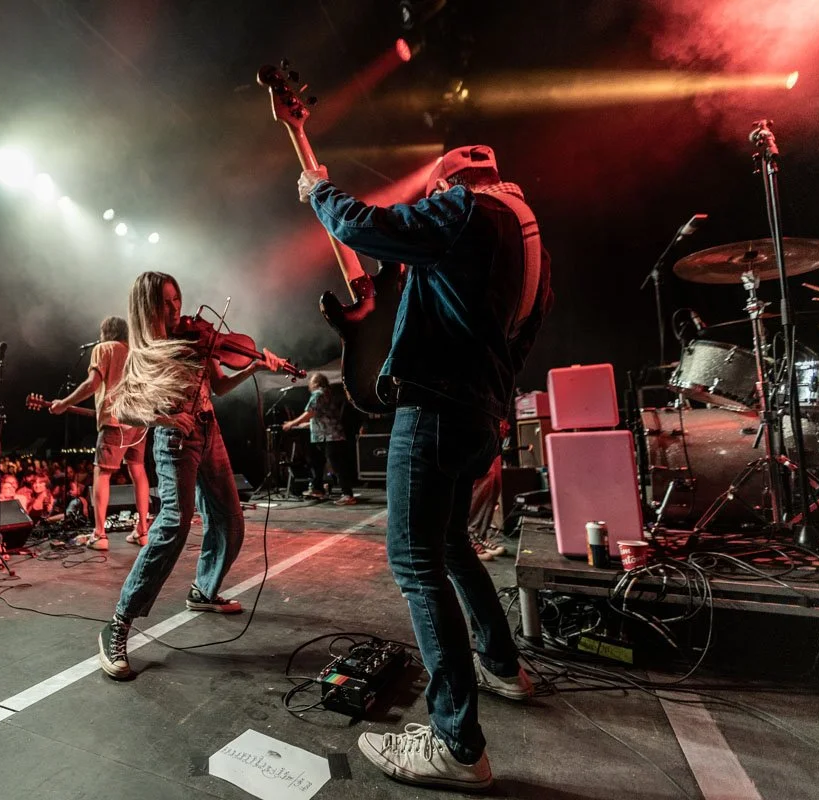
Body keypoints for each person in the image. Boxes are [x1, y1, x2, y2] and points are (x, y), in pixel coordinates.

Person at [299, 144, 552, 791]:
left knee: (415, 561)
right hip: (477, 413)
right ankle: (501, 665)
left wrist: (318, 191)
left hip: (436, 408)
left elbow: (365, 227)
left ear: (451, 182)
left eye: (436, 191)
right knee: (450, 544)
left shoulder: (467, 210)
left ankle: (456, 745)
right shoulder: (531, 245)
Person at [96, 271, 286, 680]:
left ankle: (204, 589)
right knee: (172, 527)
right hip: (174, 440)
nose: (175, 309)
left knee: (231, 520)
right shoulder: (143, 353)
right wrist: (166, 415)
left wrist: (253, 366)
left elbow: (217, 386)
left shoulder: (193, 340)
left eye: (177, 299)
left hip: (208, 430)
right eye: (165, 303)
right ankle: (119, 622)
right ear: (147, 307)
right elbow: (124, 410)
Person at [50, 315, 152, 551]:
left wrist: (64, 403)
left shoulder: (103, 349)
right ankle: (142, 531)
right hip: (139, 421)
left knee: (102, 473)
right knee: (137, 470)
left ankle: (100, 534)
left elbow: (92, 384)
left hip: (115, 420)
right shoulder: (137, 352)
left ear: (106, 332)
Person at [282, 372, 358, 505]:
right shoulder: (328, 393)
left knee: (336, 466)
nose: (309, 386)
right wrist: (304, 424)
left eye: (311, 382)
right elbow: (320, 414)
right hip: (328, 436)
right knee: (318, 463)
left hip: (329, 436)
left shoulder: (318, 394)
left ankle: (348, 495)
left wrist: (291, 423)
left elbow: (310, 412)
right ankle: (318, 490)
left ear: (316, 383)